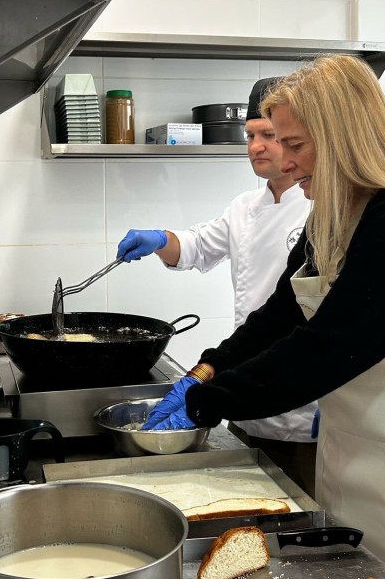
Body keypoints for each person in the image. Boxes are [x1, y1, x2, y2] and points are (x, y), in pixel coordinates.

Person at [142, 55, 385, 579]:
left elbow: (326, 348)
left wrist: (205, 403)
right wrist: (206, 368)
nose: (283, 163)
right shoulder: (331, 221)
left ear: (345, 138)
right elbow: (278, 316)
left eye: (295, 146)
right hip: (351, 450)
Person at [116, 77, 316, 495]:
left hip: (303, 401)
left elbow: (301, 322)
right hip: (244, 384)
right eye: (250, 136)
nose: (256, 147)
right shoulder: (244, 208)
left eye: (270, 136)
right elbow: (195, 246)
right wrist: (159, 239)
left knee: (297, 505)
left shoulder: (321, 209)